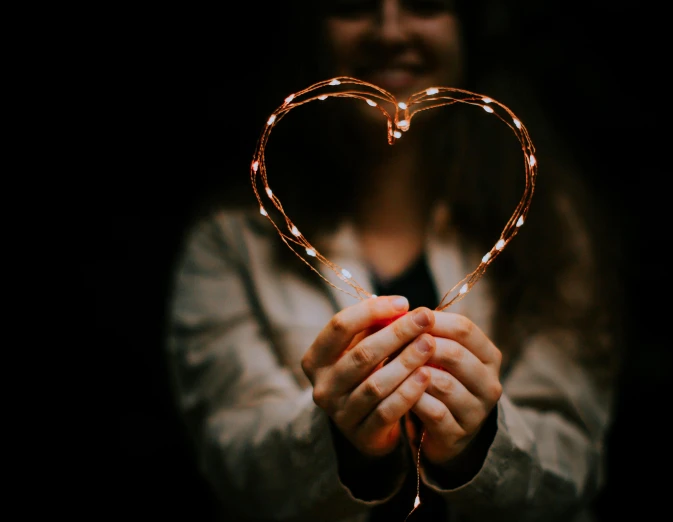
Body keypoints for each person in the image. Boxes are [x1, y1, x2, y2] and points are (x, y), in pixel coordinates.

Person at [166, 0, 624, 520]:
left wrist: (482, 444)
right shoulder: (233, 241)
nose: (390, 31)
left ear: (467, 26)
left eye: (424, 2)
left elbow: (572, 464)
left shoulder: (552, 231)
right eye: (353, 3)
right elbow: (237, 466)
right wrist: (335, 441)